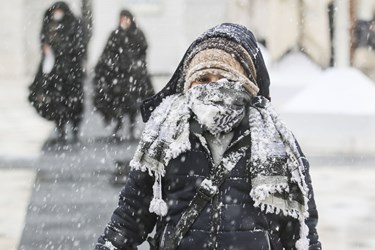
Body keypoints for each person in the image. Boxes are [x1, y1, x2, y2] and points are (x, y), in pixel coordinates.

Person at [94, 23, 321, 250]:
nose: (213, 88)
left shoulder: (275, 140)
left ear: (247, 83)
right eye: (203, 79)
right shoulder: (167, 133)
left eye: (224, 78)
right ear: (188, 83)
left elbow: (302, 229)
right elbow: (130, 218)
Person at [28, 1, 86, 143]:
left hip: (71, 72)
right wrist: (47, 48)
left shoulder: (73, 24)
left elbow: (77, 45)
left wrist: (60, 49)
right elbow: (44, 40)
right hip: (55, 73)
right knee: (56, 103)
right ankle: (61, 131)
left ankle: (74, 131)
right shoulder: (50, 23)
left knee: (73, 104)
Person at [93, 10, 154, 142]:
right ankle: (118, 127)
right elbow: (107, 53)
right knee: (118, 104)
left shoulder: (137, 34)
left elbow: (143, 51)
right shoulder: (115, 35)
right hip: (118, 77)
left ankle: (131, 128)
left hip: (134, 77)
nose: (124, 22)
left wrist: (136, 66)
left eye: (126, 19)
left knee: (133, 104)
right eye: (122, 19)